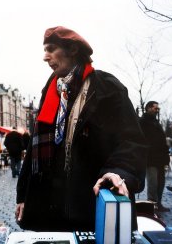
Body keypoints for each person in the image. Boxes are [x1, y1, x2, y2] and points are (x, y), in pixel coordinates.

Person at [15, 26, 147, 231]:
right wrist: (23, 195)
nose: (45, 57)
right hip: (50, 210)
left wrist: (117, 173)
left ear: (73, 50)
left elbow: (131, 142)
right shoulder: (50, 90)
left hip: (90, 206)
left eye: (51, 49)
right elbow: (34, 146)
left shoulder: (107, 87)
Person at [139, 101, 170, 212]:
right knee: (153, 183)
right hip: (150, 159)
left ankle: (158, 204)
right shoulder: (142, 122)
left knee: (161, 182)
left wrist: (166, 157)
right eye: (155, 108)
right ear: (148, 108)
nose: (157, 110)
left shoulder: (156, 122)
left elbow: (162, 141)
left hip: (160, 159)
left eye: (158, 109)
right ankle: (151, 205)